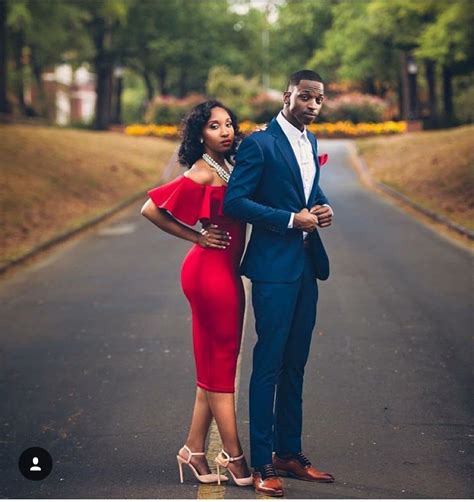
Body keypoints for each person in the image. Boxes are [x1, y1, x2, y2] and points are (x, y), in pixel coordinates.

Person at [223, 70, 335, 497]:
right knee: (268, 364)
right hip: (273, 268)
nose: (312, 105)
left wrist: (322, 208)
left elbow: (311, 191)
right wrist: (290, 220)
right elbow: (237, 200)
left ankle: (290, 452)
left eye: (319, 99)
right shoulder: (259, 143)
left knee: (296, 364)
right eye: (305, 96)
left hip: (307, 265)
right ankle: (263, 462)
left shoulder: (311, 142)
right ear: (288, 95)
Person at [141, 100, 252, 487]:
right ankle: (236, 458)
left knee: (213, 365)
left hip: (223, 272)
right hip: (209, 275)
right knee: (221, 364)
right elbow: (150, 209)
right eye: (213, 126)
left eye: (228, 124)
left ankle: (193, 449)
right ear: (199, 134)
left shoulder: (231, 166)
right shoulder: (203, 172)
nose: (225, 131)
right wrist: (197, 236)